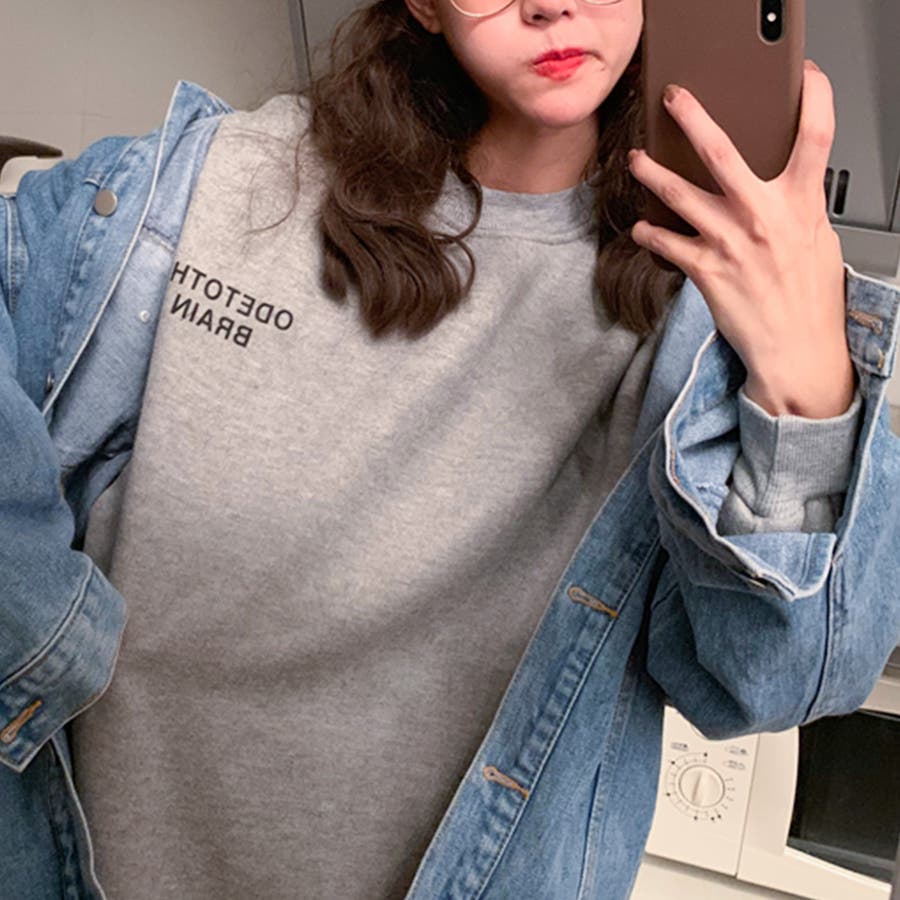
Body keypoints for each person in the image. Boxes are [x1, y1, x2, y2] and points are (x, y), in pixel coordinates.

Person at [1, 0, 898, 897]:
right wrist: (45, 634)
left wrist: (807, 377)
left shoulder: (705, 311)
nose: (550, 4)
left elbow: (781, 683)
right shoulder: (198, 186)